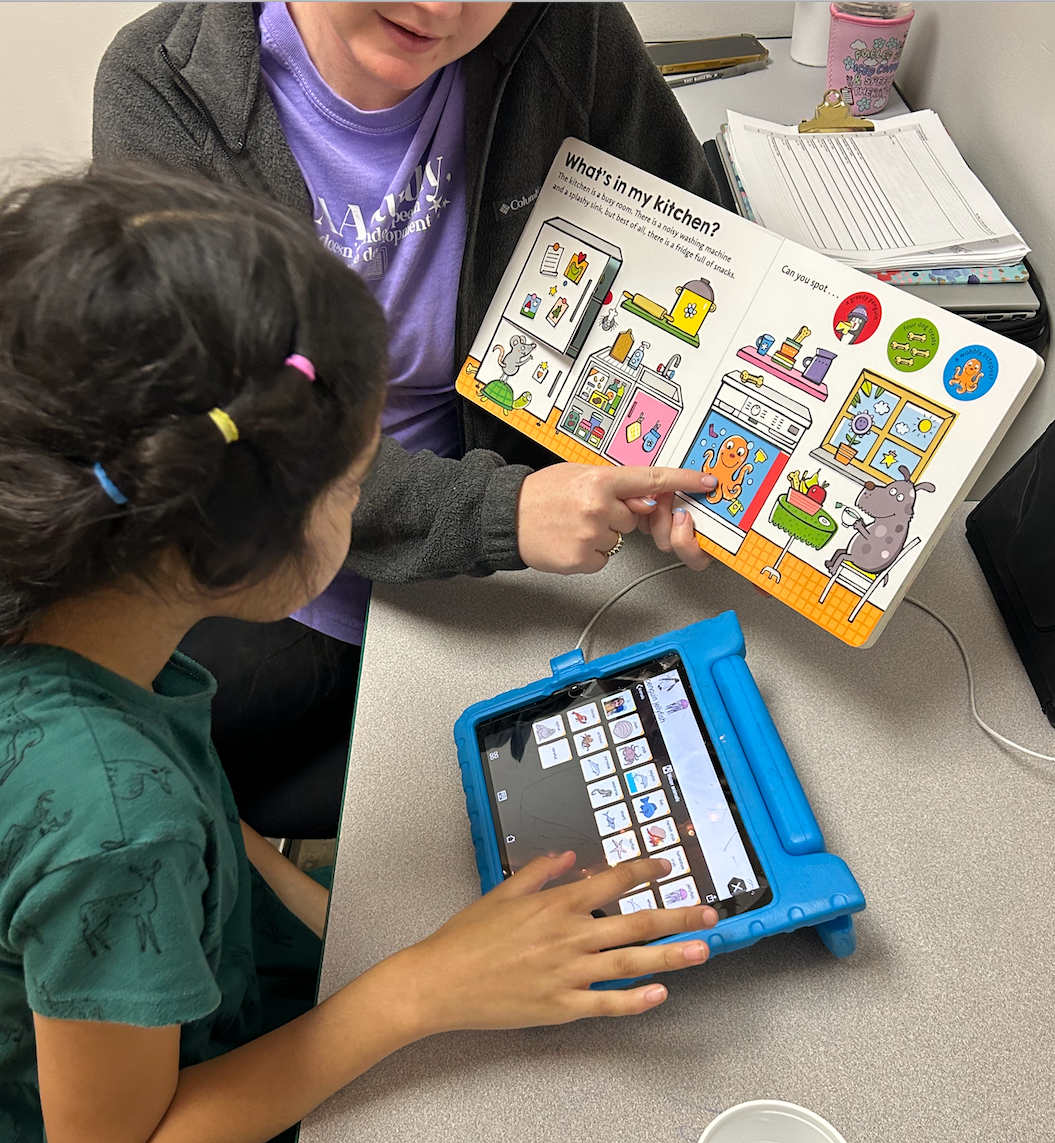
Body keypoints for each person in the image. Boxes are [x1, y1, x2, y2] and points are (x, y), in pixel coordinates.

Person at [0, 167, 717, 1143]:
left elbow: (200, 819)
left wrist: (361, 939)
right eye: (352, 488)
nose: (365, 506)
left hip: (191, 1004)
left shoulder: (76, 600)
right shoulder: (110, 822)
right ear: (233, 556)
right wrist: (414, 989)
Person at [93, 2, 723, 839]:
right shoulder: (164, 87)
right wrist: (502, 514)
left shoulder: (568, 30)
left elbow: (701, 251)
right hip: (296, 554)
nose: (441, 9)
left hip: (535, 554)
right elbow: (240, 441)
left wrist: (696, 457)